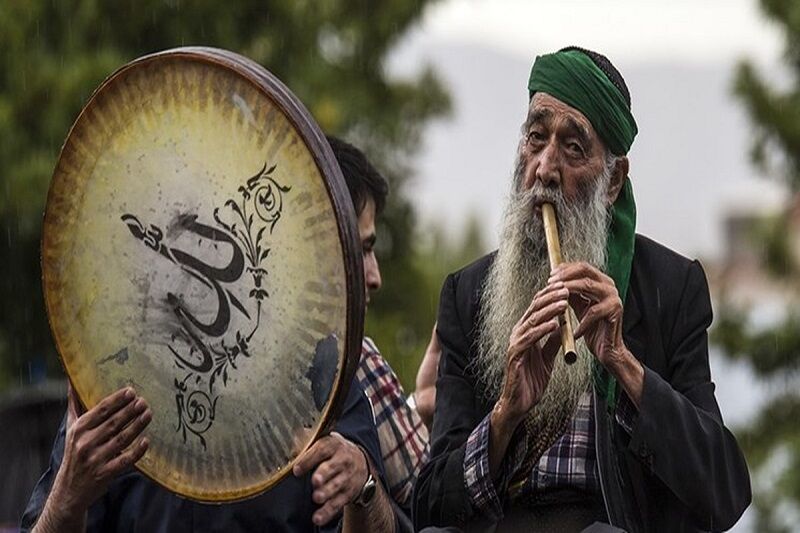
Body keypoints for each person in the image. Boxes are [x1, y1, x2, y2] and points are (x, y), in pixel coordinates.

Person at [413, 47, 751, 533]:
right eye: (536, 138)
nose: (545, 168)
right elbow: (429, 506)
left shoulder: (671, 290)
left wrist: (623, 365)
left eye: (573, 149)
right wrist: (505, 415)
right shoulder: (468, 294)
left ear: (613, 180)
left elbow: (725, 494)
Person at [20, 138, 407, 533]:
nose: (373, 277)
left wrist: (365, 487)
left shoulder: (324, 384)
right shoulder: (114, 385)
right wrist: (68, 494)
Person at [326, 136, 431, 528]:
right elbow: (434, 508)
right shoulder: (354, 358)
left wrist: (422, 410)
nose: (374, 277)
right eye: (363, 249)